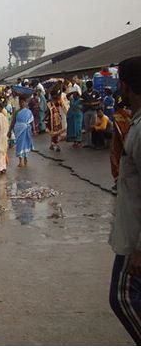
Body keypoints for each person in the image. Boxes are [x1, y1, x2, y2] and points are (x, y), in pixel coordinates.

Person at [109, 56, 141, 344]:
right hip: (131, 232)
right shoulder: (136, 121)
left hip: (135, 238)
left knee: (122, 298)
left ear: (125, 84)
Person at [111, 101, 132, 189]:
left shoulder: (118, 116)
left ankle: (119, 182)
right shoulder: (131, 114)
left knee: (116, 159)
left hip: (122, 143)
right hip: (126, 140)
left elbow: (121, 132)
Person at [9, 97, 35, 167]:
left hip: (26, 129)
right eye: (20, 102)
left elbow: (32, 121)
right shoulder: (17, 112)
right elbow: (13, 121)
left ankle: (26, 158)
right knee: (19, 144)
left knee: (26, 143)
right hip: (18, 129)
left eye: (23, 102)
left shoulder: (29, 111)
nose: (22, 104)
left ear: (26, 103)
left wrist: (34, 130)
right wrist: (9, 131)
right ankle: (20, 161)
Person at [81, 80, 101, 148]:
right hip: (86, 111)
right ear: (87, 87)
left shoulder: (96, 92)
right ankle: (88, 143)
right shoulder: (84, 94)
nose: (90, 88)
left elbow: (100, 101)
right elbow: (81, 102)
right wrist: (87, 104)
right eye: (88, 87)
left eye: (90, 87)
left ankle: (93, 142)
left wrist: (94, 103)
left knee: (92, 126)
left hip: (93, 111)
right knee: (87, 127)